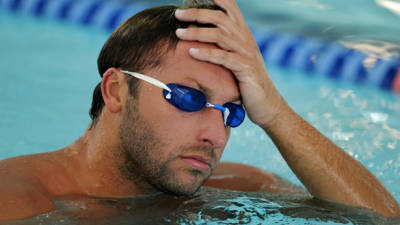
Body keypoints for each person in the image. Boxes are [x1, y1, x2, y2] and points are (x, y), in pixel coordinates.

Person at [0, 0, 399, 221]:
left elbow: (381, 219)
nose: (217, 135)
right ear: (117, 91)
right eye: (189, 98)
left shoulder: (236, 188)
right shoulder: (21, 201)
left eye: (232, 112)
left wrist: (275, 111)